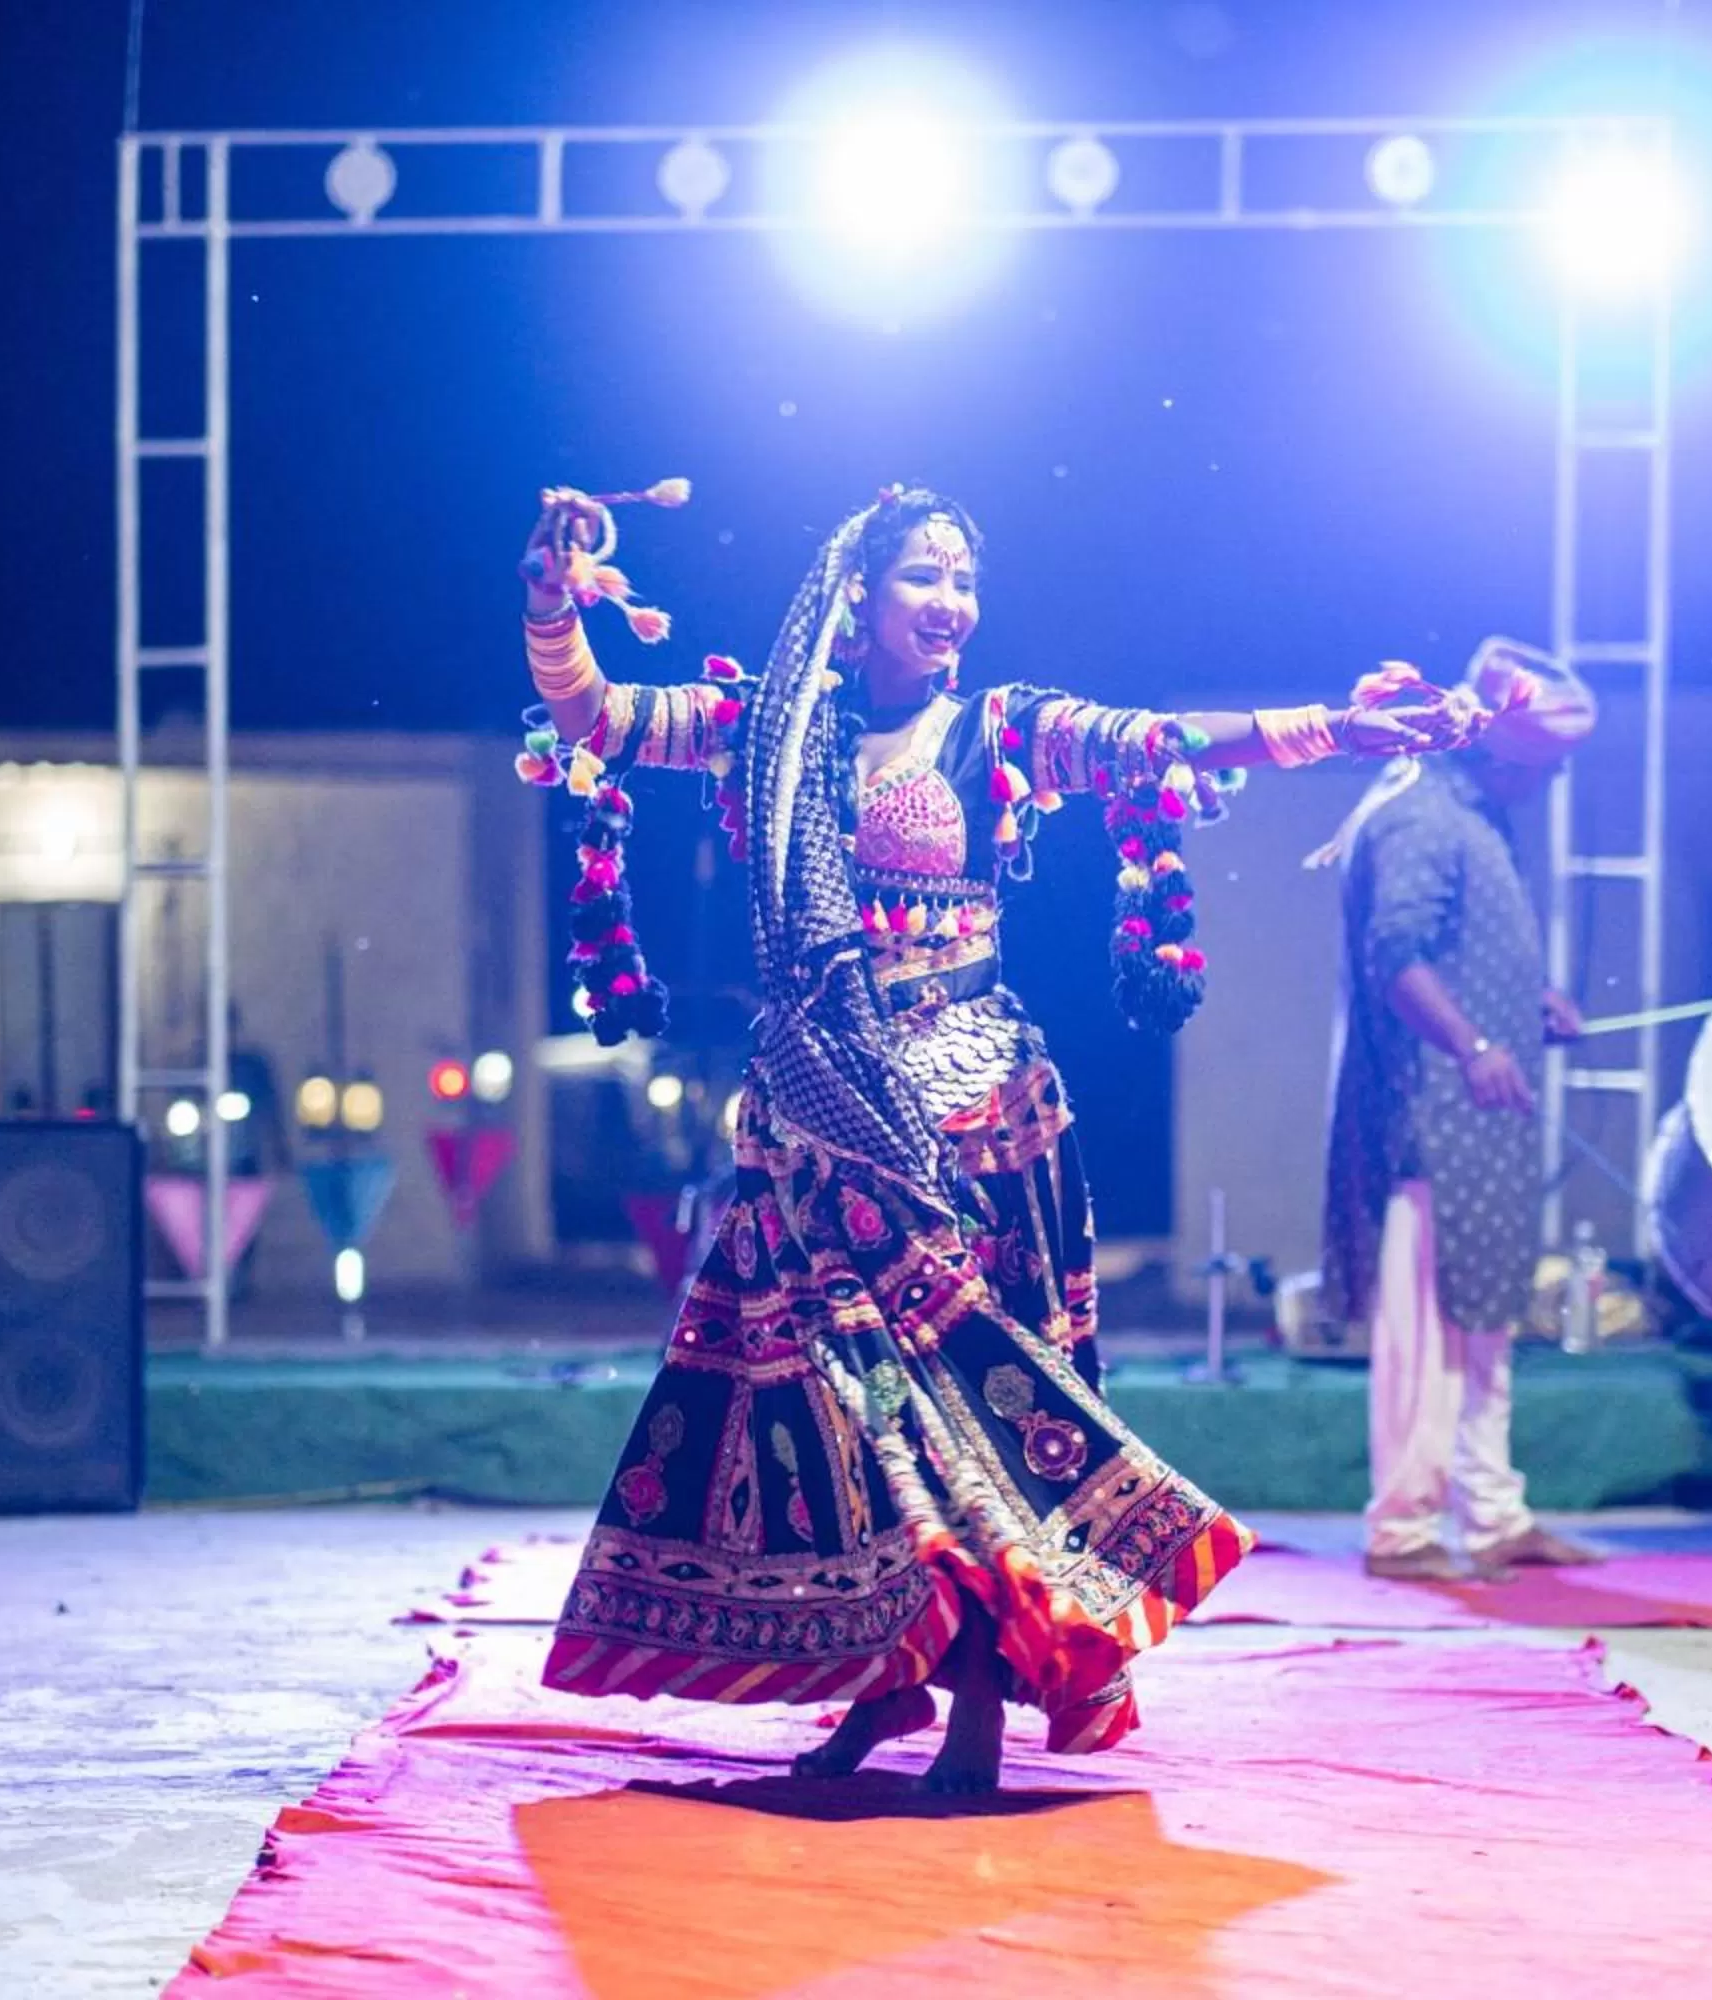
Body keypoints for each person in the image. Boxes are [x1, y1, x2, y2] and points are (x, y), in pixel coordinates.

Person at [518, 480, 1490, 1792]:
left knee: (978, 1435)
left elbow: (1159, 741)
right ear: (856, 596)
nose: (952, 604)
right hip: (813, 1129)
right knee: (840, 1432)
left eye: (965, 580)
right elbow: (597, 715)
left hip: (978, 1133)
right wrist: (550, 603)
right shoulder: (769, 728)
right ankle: (883, 1683)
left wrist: (1335, 724)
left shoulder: (1000, 728)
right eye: (924, 576)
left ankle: (977, 1705)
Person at [1318, 640, 1606, 1584]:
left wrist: (1530, 1004)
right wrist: (1475, 1046)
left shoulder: (1471, 812)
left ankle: (1492, 1514)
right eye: (1549, 765)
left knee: (1482, 1321)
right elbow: (1396, 955)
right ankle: (1403, 1527)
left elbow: (1458, 948)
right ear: (1502, 751)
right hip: (1429, 1124)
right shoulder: (1423, 816)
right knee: (1425, 1329)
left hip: (1478, 1126)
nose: (1554, 781)